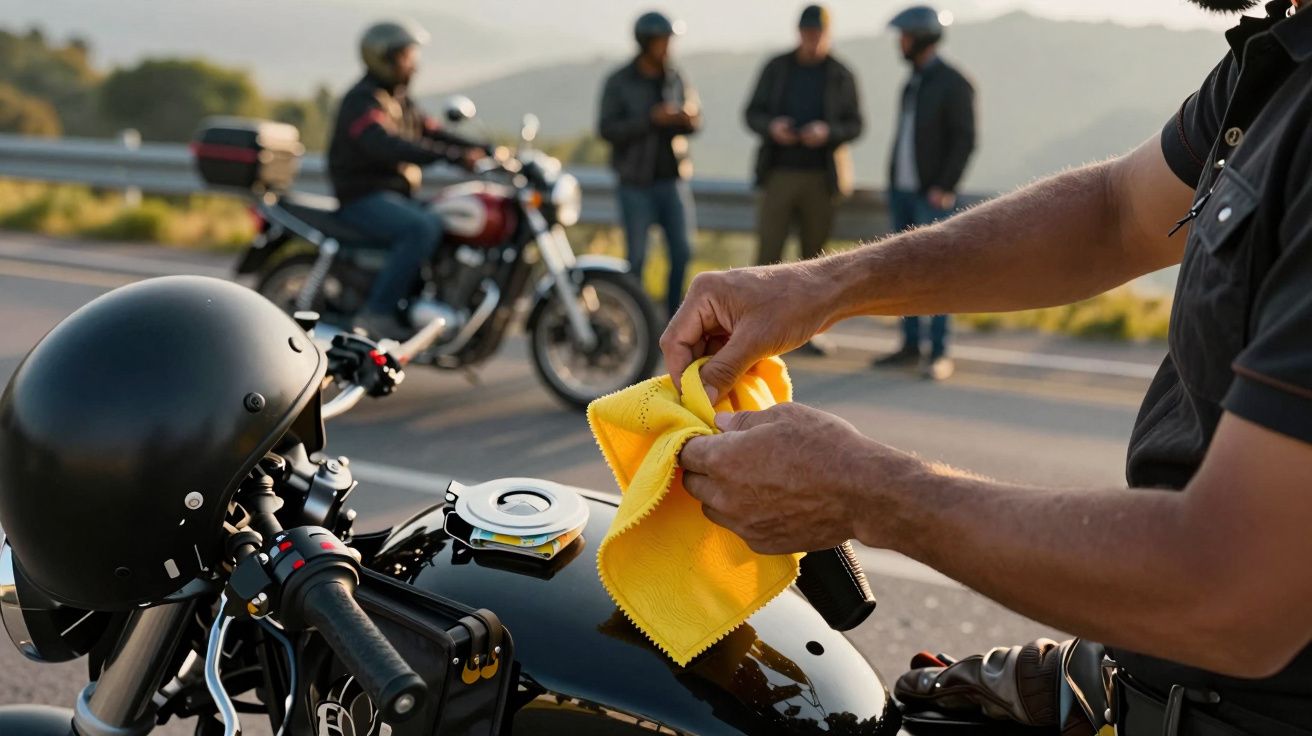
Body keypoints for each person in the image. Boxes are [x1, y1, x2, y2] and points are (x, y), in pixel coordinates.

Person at [662, 0, 1312, 732]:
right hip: (1149, 675)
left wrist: (866, 491)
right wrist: (823, 286)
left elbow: (1235, 588)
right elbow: (1112, 210)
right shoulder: (1279, 60)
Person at [328, 20, 486, 339]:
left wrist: (483, 149)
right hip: (362, 196)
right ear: (383, 58)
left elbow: (433, 131)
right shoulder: (363, 101)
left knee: (446, 217)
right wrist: (451, 157)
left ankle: (423, 301)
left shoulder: (398, 99)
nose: (413, 64)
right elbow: (386, 144)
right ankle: (378, 313)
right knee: (422, 227)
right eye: (405, 56)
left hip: (392, 195)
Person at [744, 4, 863, 355]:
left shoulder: (841, 73)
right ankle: (756, 329)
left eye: (818, 34)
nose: (812, 41)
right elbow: (752, 114)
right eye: (807, 34)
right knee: (768, 255)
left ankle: (808, 333)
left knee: (814, 263)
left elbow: (856, 124)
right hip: (779, 172)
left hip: (821, 178)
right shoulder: (777, 68)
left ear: (827, 34)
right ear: (799, 33)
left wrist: (827, 132)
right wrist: (773, 128)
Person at [873, 5, 976, 380]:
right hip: (902, 191)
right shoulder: (913, 82)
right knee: (903, 273)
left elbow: (965, 139)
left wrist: (944, 186)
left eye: (904, 37)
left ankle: (939, 351)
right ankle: (910, 345)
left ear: (921, 37)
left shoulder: (953, 82)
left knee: (937, 274)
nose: (899, 44)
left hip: (929, 195)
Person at [598, 11, 701, 320]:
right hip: (635, 182)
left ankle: (674, 317)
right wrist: (649, 120)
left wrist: (682, 117)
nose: (668, 47)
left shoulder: (674, 76)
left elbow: (696, 119)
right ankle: (637, 319)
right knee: (638, 258)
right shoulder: (619, 81)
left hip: (672, 179)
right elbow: (607, 129)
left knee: (682, 252)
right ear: (646, 43)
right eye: (663, 41)